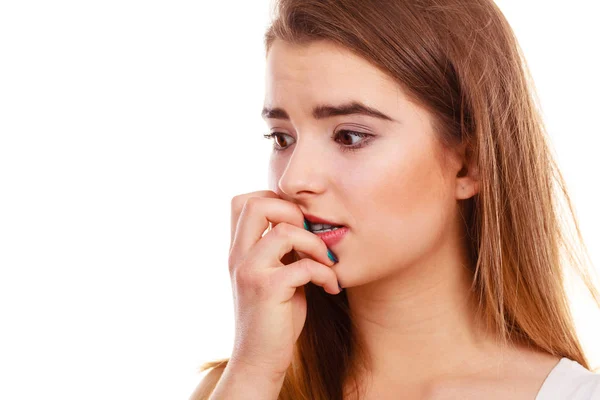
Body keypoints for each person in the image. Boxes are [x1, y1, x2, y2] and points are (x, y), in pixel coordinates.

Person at [191, 0, 600, 398]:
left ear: (469, 165)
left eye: (349, 136)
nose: (293, 180)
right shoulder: (242, 385)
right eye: (282, 138)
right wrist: (254, 372)